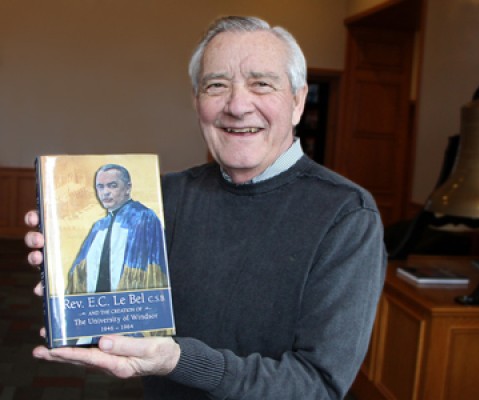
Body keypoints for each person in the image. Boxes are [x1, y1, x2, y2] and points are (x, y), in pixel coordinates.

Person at [24, 15, 386, 399]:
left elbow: (318, 387)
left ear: (297, 102)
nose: (237, 105)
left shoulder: (347, 215)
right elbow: (125, 312)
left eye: (261, 84)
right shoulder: (164, 197)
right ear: (197, 102)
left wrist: (179, 361)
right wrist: (64, 275)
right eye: (217, 85)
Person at [66, 163, 169, 295]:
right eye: (100, 187)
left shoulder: (144, 218)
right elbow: (78, 275)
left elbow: (152, 273)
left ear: (127, 188)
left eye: (112, 185)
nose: (105, 192)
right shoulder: (99, 226)